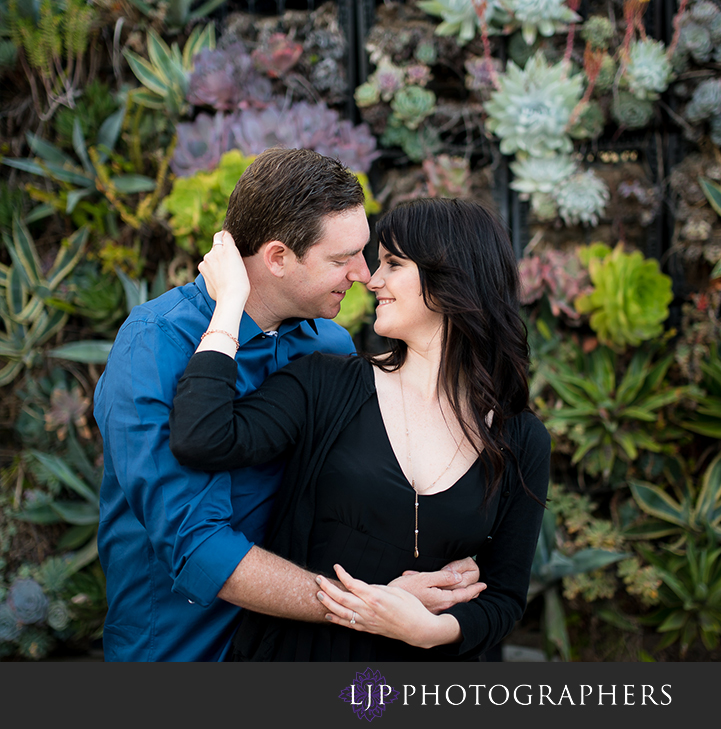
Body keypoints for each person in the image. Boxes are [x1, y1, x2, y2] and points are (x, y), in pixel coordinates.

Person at [94, 149, 483, 662]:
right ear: (277, 258)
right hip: (181, 650)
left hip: (297, 648)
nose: (364, 275)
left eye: (363, 252)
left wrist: (444, 558)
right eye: (342, 258)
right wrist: (365, 603)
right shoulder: (155, 344)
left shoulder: (330, 345)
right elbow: (199, 549)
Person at [168, 197, 551, 660]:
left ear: (452, 279)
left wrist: (430, 630)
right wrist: (232, 303)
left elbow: (504, 597)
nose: (371, 279)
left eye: (393, 264)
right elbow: (202, 438)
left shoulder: (519, 438)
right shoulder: (326, 384)